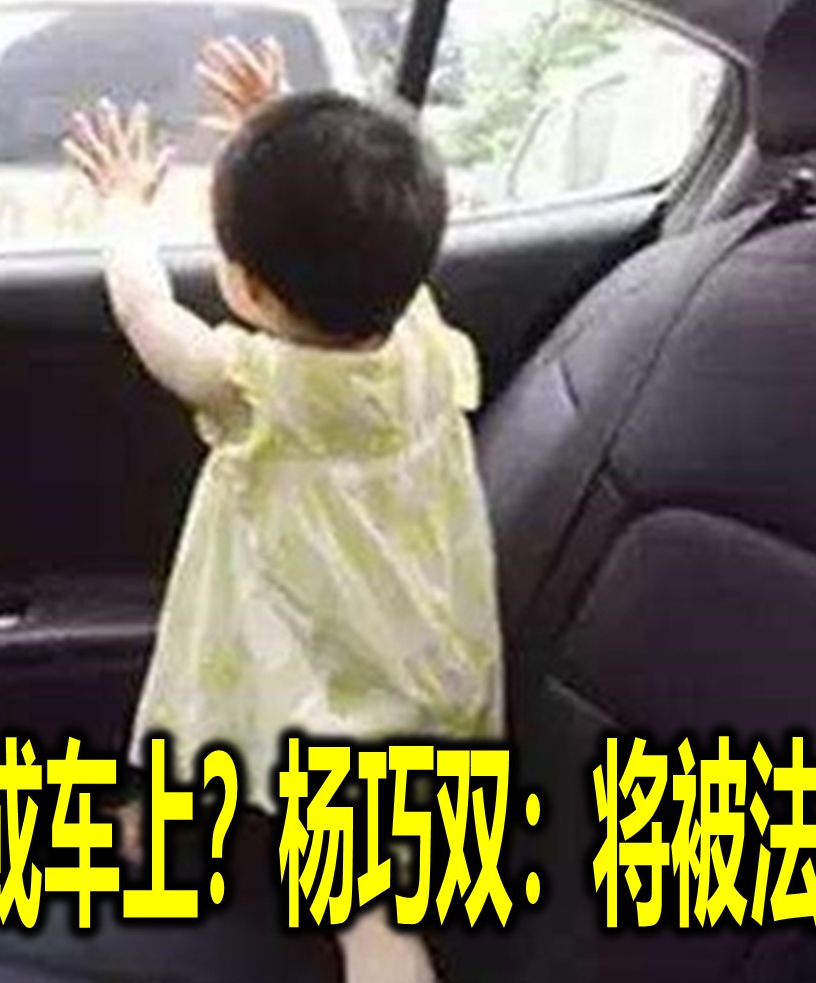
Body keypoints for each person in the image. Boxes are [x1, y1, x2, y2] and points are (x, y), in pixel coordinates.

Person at [63, 37, 504, 983]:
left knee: (364, 904)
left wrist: (122, 207)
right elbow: (362, 223)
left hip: (314, 664)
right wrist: (278, 124)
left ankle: (156, 844)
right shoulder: (421, 331)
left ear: (249, 287)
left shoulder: (253, 381)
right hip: (418, 654)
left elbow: (144, 310)